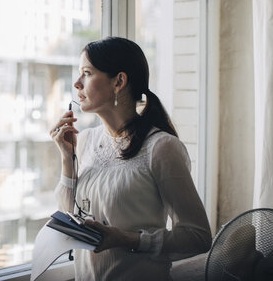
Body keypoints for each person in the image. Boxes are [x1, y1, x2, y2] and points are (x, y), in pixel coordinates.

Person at [50, 37, 212, 280]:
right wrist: (66, 158)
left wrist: (125, 239)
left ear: (119, 81)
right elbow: (69, 216)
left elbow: (198, 237)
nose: (76, 84)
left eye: (86, 73)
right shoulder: (84, 141)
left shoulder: (161, 148)